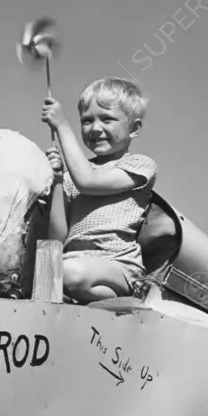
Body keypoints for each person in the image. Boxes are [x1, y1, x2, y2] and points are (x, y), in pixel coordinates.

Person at [41, 77, 158, 303]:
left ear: (134, 129)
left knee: (66, 273)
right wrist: (57, 181)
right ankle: (104, 301)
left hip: (117, 265)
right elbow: (55, 238)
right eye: (86, 121)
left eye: (107, 119)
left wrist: (62, 126)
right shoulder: (71, 177)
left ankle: (132, 295)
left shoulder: (140, 165)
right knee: (48, 273)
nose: (95, 128)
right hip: (72, 263)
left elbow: (89, 182)